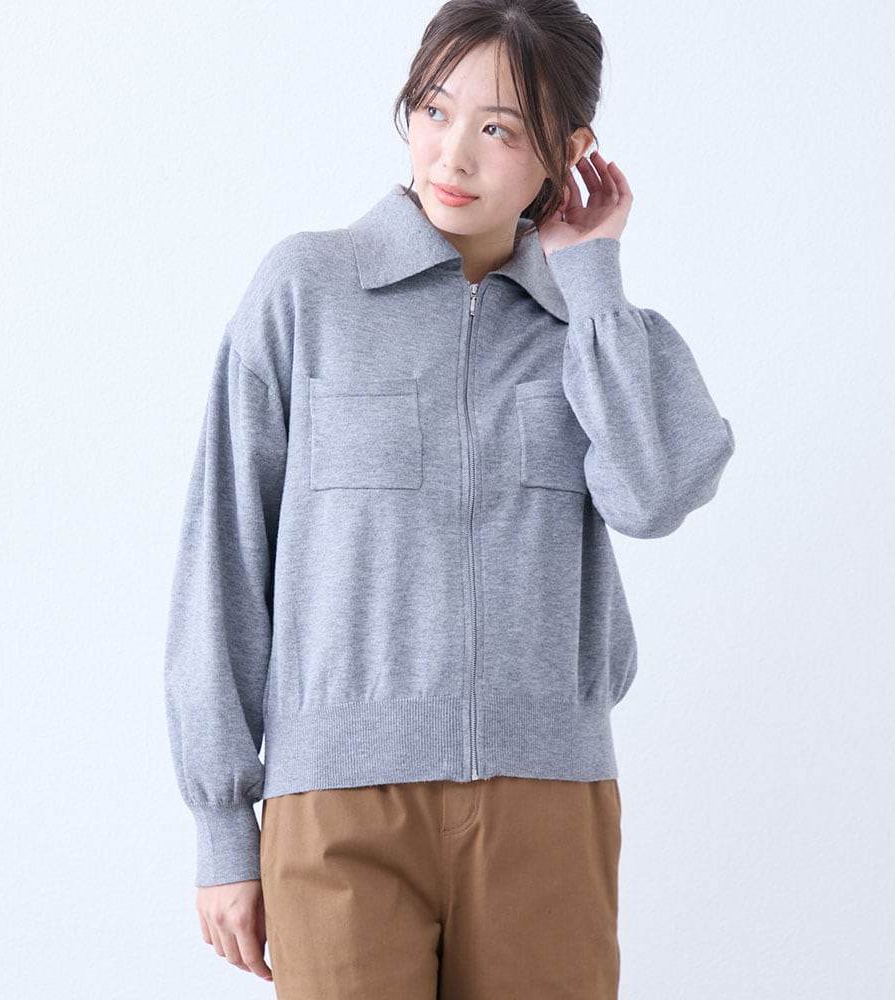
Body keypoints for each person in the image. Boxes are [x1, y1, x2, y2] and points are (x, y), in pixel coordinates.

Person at [163, 1, 735, 996]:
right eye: (433, 110)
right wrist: (222, 822)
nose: (452, 155)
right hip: (338, 804)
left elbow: (653, 495)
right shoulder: (308, 290)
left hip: (547, 800)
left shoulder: (595, 333)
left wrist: (592, 281)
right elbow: (224, 553)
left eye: (499, 128)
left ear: (568, 149)